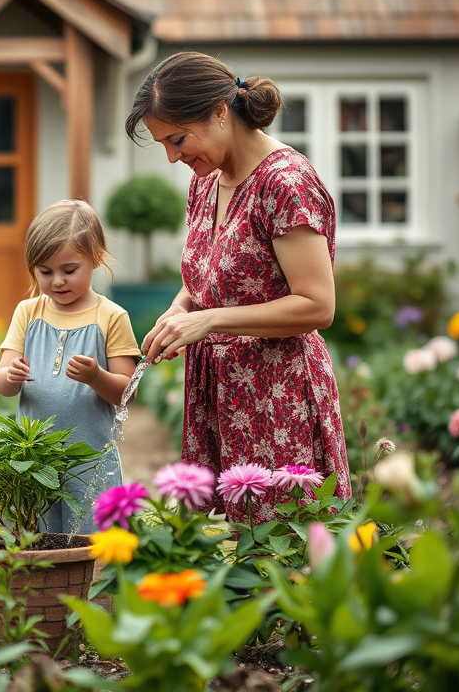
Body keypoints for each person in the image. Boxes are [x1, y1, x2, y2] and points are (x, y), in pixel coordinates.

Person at [127, 51, 351, 521]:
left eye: (178, 139)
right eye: (164, 144)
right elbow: (205, 277)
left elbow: (318, 306)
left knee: (281, 555)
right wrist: (180, 307)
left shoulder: (285, 182)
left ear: (220, 112)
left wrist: (209, 321)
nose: (173, 156)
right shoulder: (206, 181)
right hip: (218, 393)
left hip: (277, 394)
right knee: (223, 552)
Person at [0, 199, 141, 534]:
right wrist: (10, 375)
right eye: (45, 272)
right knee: (38, 534)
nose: (57, 281)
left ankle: (94, 588)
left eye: (68, 270)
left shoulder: (111, 316)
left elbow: (127, 393)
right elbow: (2, 383)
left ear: (96, 259)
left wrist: (96, 377)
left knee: (92, 537)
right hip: (35, 460)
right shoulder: (28, 312)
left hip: (89, 459)